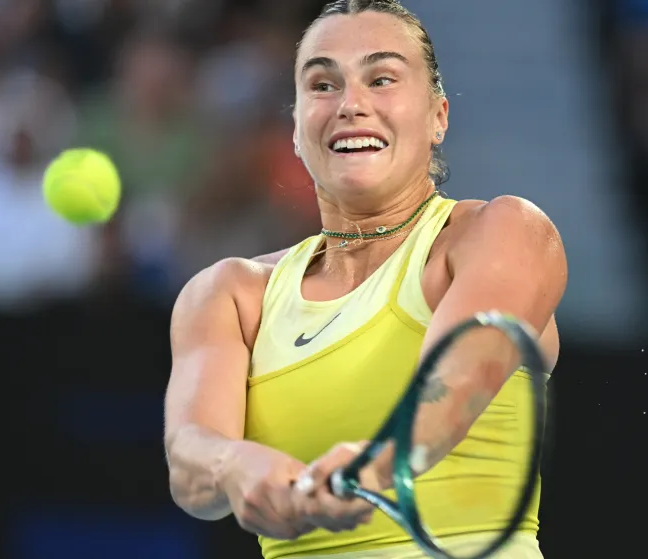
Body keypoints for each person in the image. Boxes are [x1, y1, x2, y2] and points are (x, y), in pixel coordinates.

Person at [163, 1, 568, 557]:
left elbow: (457, 379)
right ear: (298, 130)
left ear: (438, 116)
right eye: (323, 85)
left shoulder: (505, 232)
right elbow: (190, 463)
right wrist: (234, 464)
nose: (352, 104)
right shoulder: (228, 295)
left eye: (382, 79)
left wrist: (376, 465)